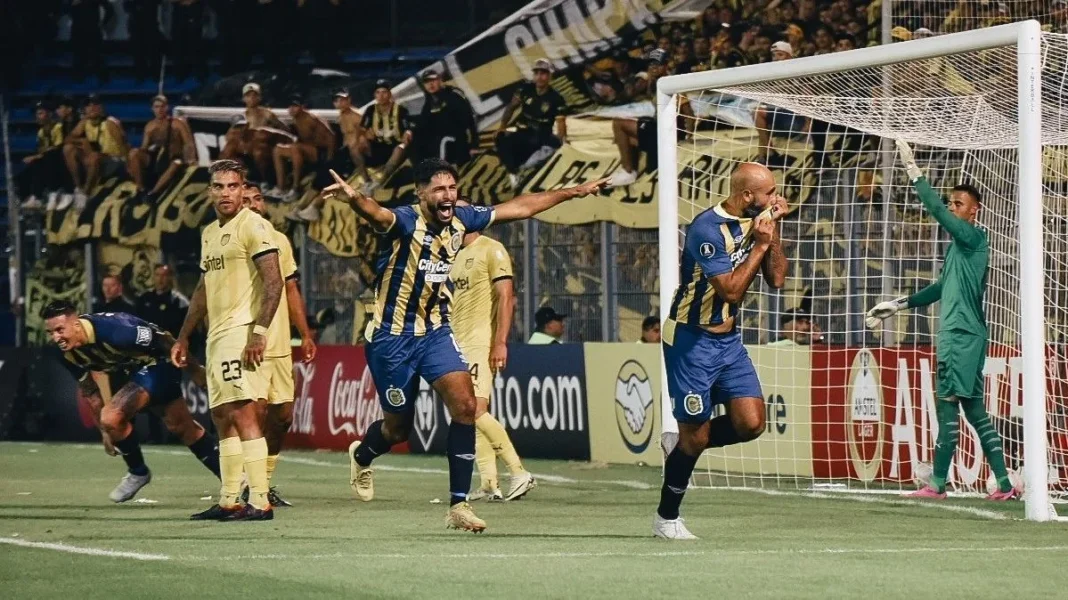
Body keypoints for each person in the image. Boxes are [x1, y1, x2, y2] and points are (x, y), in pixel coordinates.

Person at [323, 159, 607, 532]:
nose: (448, 196)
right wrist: (354, 197)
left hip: (436, 333)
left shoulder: (463, 217)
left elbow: (519, 207)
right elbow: (377, 214)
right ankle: (362, 454)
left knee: (467, 406)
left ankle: (459, 505)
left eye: (452, 188)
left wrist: (573, 192)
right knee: (397, 430)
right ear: (420, 193)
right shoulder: (407, 221)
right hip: (392, 339)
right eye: (439, 189)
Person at [866, 140, 1018, 501]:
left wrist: (916, 175)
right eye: (951, 202)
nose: (952, 208)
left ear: (974, 212)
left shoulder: (973, 237)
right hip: (961, 334)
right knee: (972, 407)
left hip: (961, 335)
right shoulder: (958, 248)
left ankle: (937, 482)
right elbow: (940, 289)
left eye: (958, 204)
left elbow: (935, 210)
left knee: (948, 403)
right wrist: (900, 304)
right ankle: (1004, 484)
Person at [656, 162, 788, 540]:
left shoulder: (757, 221)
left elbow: (777, 280)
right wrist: (760, 244)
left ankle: (680, 446)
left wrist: (772, 234)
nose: (774, 198)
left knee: (751, 424)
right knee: (695, 439)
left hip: (728, 341)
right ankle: (666, 518)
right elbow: (730, 290)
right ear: (747, 195)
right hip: (690, 341)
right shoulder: (706, 230)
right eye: (768, 193)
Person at [171, 159, 284, 521]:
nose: (225, 193)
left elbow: (274, 282)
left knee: (244, 411)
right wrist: (184, 336)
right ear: (209, 192)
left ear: (241, 189)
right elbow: (203, 290)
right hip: (217, 334)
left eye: (233, 186)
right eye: (219, 186)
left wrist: (260, 332)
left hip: (241, 332)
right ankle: (229, 499)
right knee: (221, 415)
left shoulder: (254, 225)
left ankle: (261, 500)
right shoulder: (208, 234)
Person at [42, 301, 220, 503]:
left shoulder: (117, 329)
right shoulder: (64, 352)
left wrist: (195, 371)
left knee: (112, 416)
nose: (56, 338)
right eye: (50, 332)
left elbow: (166, 340)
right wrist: (104, 431)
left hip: (159, 363)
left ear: (76, 325)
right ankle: (232, 479)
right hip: (130, 370)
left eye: (59, 330)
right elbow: (90, 390)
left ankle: (138, 472)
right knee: (181, 426)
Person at [449, 199, 534, 502]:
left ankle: (518, 472)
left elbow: (506, 297)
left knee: (475, 409)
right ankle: (488, 482)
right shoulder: (452, 253)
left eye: (456, 211)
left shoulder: (491, 248)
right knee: (469, 413)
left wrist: (500, 341)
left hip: (479, 341)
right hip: (455, 341)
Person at [241, 183, 317, 506]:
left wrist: (306, 332)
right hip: (249, 343)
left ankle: (264, 482)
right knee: (253, 414)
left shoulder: (280, 241)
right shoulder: (233, 241)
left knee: (282, 416)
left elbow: (290, 290)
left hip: (281, 345)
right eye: (246, 199)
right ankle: (248, 484)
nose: (254, 204)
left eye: (258, 198)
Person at [494, 59, 568, 190]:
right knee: (500, 138)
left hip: (540, 135)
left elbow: (561, 123)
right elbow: (511, 107)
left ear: (550, 76)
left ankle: (520, 169)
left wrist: (562, 141)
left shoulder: (556, 99)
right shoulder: (525, 89)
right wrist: (502, 126)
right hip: (523, 131)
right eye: (537, 73)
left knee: (550, 146)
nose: (539, 76)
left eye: (543, 73)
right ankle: (513, 172)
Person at [606, 49, 669, 187]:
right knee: (629, 138)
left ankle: (628, 172)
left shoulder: (670, 83)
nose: (653, 68)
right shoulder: (655, 83)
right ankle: (630, 172)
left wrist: (687, 136)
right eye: (650, 65)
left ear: (666, 66)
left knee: (618, 123)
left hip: (665, 131)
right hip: (658, 127)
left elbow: (686, 110)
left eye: (657, 64)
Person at [63, 95, 129, 207]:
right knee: (68, 148)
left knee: (94, 156)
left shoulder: (110, 122)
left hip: (115, 160)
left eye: (95, 104)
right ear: (84, 110)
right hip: (97, 159)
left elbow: (123, 146)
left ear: (101, 108)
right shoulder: (85, 122)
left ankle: (86, 193)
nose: (92, 107)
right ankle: (78, 188)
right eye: (88, 105)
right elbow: (68, 139)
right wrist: (82, 140)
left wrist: (128, 165)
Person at [127, 95, 197, 201]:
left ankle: (154, 193)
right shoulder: (150, 126)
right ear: (152, 109)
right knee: (134, 154)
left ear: (167, 108)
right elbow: (144, 147)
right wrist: (134, 154)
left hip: (174, 158)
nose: (159, 110)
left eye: (162, 106)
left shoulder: (177, 124)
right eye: (156, 107)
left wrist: (191, 158)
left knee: (176, 163)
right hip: (157, 158)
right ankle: (141, 189)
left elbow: (188, 143)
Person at [267, 95, 335, 203]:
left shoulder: (311, 118)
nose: (291, 109)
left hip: (321, 153)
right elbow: (292, 136)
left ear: (302, 107)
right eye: (290, 106)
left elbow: (331, 136)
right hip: (307, 150)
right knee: (278, 150)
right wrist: (276, 122)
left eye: (295, 106)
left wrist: (329, 159)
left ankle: (295, 188)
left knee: (295, 147)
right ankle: (281, 188)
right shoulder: (296, 119)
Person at [220, 83, 292, 184]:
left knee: (259, 150)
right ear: (243, 99)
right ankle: (223, 178)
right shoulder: (241, 117)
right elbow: (229, 136)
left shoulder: (267, 114)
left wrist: (273, 136)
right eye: (248, 96)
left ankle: (265, 181)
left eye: (254, 95)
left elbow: (285, 130)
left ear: (259, 97)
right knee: (228, 148)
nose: (252, 98)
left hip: (263, 149)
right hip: (247, 149)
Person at [357, 80, 413, 193]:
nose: (381, 96)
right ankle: (367, 181)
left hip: (396, 146)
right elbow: (362, 129)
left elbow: (408, 127)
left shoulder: (401, 110)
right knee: (355, 146)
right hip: (379, 146)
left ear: (389, 94)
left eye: (384, 92)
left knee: (400, 148)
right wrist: (363, 136)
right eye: (378, 92)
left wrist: (408, 133)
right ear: (374, 95)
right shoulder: (371, 110)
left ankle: (380, 182)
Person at [415, 71, 479, 167]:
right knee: (416, 141)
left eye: (433, 80)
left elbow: (470, 119)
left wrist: (474, 145)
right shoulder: (429, 101)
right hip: (440, 141)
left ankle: (440, 170)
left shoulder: (453, 95)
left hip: (458, 140)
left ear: (440, 80)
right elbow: (423, 124)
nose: (430, 84)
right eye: (427, 82)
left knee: (443, 140)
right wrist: (410, 132)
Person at [16, 101, 66, 210]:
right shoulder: (41, 132)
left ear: (49, 114)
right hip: (45, 159)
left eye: (41, 113)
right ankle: (29, 198)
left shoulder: (58, 127)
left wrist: (37, 156)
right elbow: (41, 150)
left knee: (44, 161)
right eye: (37, 114)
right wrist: (36, 157)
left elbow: (58, 148)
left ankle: (50, 193)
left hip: (59, 161)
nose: (38, 117)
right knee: (23, 173)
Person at [135, 264, 189, 337]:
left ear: (170, 278)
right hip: (147, 341)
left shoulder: (178, 301)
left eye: (164, 275)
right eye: (157, 275)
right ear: (153, 277)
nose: (160, 279)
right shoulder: (145, 298)